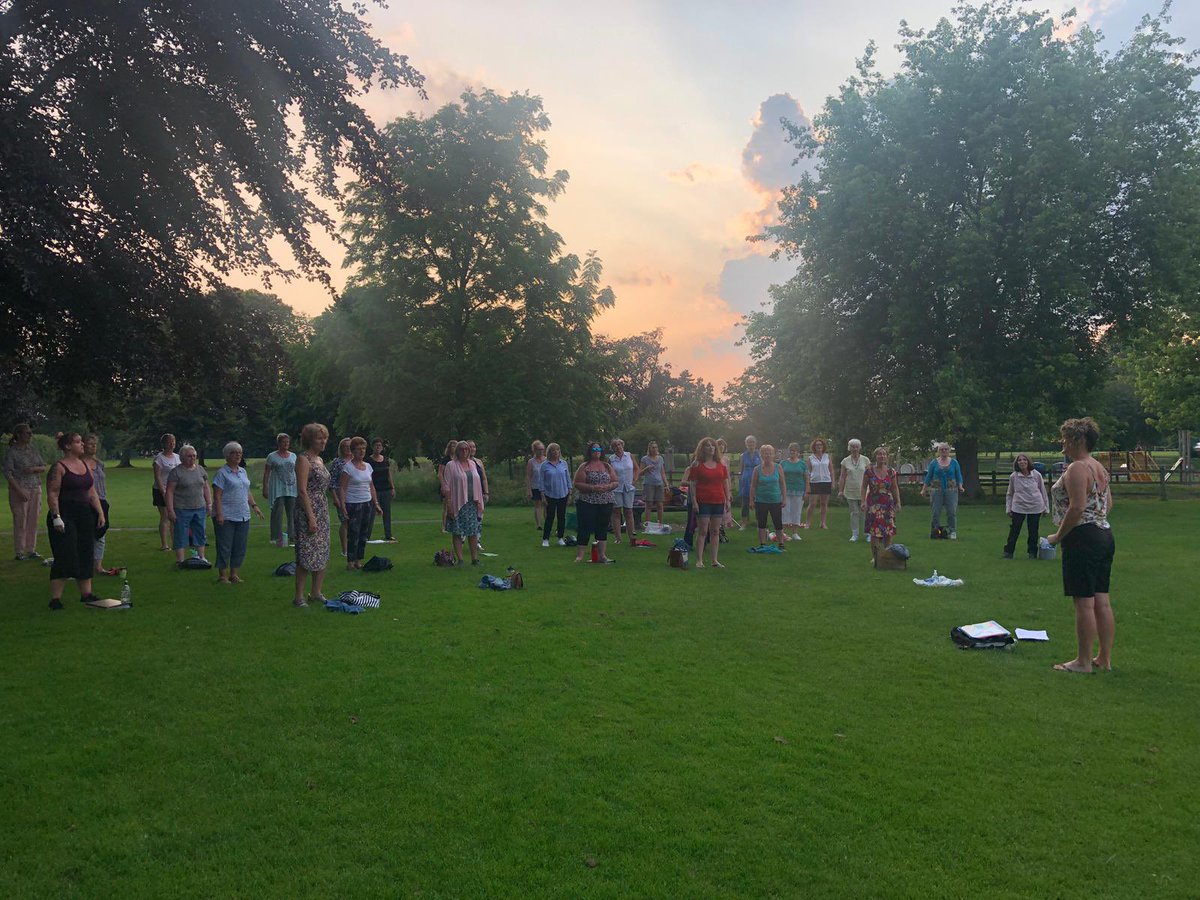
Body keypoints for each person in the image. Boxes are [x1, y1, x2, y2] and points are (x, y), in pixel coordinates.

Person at [1047, 417, 1116, 674]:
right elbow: (1108, 505)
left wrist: (1058, 536)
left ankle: (1083, 662)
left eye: (1065, 438)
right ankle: (1104, 659)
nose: (1062, 443)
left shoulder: (1077, 467)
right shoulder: (1099, 467)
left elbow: (1076, 508)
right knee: (1101, 600)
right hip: (1103, 535)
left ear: (1078, 440)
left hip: (1083, 538)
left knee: (1084, 602)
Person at [44, 432, 105, 609]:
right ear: (68, 446)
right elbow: (53, 493)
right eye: (78, 442)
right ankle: (55, 599)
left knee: (86, 551)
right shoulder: (59, 467)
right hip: (65, 513)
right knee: (66, 553)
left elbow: (91, 492)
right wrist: (56, 517)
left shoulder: (84, 464)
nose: (82, 444)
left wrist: (100, 513)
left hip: (83, 513)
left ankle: (86, 594)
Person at [212, 441, 264, 584]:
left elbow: (246, 491)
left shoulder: (243, 472)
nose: (238, 455)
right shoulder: (221, 474)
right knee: (225, 546)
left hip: (243, 515)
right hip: (226, 515)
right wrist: (219, 513)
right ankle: (222, 575)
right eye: (234, 453)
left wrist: (254, 506)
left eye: (239, 453)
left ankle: (234, 574)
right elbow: (217, 495)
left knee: (240, 546)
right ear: (227, 456)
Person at [292, 423, 332, 608]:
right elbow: (302, 490)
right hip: (307, 509)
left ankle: (316, 592)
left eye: (325, 438)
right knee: (306, 553)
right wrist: (311, 517)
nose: (323, 441)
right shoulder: (303, 459)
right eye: (319, 438)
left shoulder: (320, 460)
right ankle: (298, 597)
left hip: (322, 508)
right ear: (310, 440)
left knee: (321, 551)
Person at [684, 437, 730, 568]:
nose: (711, 448)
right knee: (703, 531)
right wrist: (694, 501)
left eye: (713, 445)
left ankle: (714, 560)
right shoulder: (697, 465)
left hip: (718, 500)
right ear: (702, 448)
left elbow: (725, 482)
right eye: (708, 446)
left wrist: (727, 499)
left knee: (715, 531)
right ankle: (699, 560)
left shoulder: (721, 464)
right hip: (703, 501)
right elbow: (693, 484)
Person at [338, 436, 382, 570]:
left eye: (363, 448)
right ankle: (350, 561)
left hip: (367, 502)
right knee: (353, 533)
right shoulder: (348, 467)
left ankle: (359, 560)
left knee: (364, 534)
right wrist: (343, 505)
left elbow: (371, 486)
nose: (362, 451)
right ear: (353, 451)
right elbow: (342, 488)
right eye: (358, 449)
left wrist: (376, 503)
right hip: (353, 503)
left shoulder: (368, 466)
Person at [5, 423, 47, 560]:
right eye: (27, 433)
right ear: (19, 435)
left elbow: (43, 466)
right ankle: (19, 552)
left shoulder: (32, 450)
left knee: (33, 520)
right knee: (20, 520)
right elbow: (8, 473)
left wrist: (34, 469)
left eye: (30, 433)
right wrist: (19, 491)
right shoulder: (12, 452)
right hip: (19, 488)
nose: (30, 435)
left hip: (35, 487)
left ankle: (31, 550)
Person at [573, 441, 619, 564]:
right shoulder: (584, 466)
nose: (597, 452)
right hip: (587, 501)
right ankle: (580, 556)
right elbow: (577, 483)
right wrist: (592, 488)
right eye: (594, 449)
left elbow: (615, 481)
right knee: (585, 527)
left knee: (602, 527)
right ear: (590, 452)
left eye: (599, 449)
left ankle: (601, 555)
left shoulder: (607, 466)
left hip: (606, 501)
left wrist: (608, 486)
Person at [166, 444, 211, 566]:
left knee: (200, 533)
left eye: (194, 456)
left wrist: (209, 504)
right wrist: (170, 510)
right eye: (189, 456)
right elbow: (169, 492)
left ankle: (201, 558)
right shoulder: (176, 472)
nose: (192, 458)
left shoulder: (200, 470)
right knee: (181, 534)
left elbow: (205, 487)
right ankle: (180, 561)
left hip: (199, 507)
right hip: (181, 508)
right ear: (182, 458)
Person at [442, 440, 485, 566]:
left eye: (467, 449)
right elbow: (447, 485)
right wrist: (449, 503)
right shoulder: (451, 465)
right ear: (457, 451)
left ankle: (474, 559)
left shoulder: (473, 464)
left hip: (472, 503)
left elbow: (478, 481)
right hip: (457, 503)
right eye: (462, 449)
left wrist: (480, 499)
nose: (465, 451)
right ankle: (460, 559)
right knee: (457, 531)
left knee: (473, 531)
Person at [83, 434, 120, 576]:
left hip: (102, 500)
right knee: (86, 534)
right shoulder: (80, 464)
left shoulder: (99, 463)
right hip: (86, 502)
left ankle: (98, 566)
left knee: (101, 532)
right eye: (90, 443)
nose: (94, 446)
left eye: (95, 443)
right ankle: (84, 565)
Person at [1005, 453, 1049, 559]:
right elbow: (1010, 493)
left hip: (1035, 506)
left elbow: (1043, 491)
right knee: (1014, 530)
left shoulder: (1036, 475)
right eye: (1019, 460)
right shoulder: (1014, 476)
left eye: (1024, 460)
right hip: (1018, 506)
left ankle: (1032, 553)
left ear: (1028, 462)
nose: (1022, 462)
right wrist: (1008, 508)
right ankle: (1008, 552)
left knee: (1033, 531)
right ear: (1017, 463)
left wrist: (1046, 508)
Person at [921, 442, 965, 539]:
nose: (944, 451)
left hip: (951, 490)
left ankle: (952, 531)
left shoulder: (954, 463)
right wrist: (924, 489)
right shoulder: (934, 463)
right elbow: (928, 477)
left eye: (945, 449)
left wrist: (960, 486)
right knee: (936, 512)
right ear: (938, 451)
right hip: (936, 490)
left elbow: (958, 476)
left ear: (949, 451)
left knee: (951, 511)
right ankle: (935, 531)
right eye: (941, 449)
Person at [262, 432, 298, 548]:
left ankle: (292, 536)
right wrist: (265, 487)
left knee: (292, 513)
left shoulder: (293, 456)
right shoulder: (272, 456)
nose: (286, 444)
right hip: (278, 488)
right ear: (279, 443)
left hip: (292, 488)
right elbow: (267, 473)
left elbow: (297, 471)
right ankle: (275, 537)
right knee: (277, 512)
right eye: (284, 442)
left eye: (288, 442)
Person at [861, 446, 901, 546]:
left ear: (887, 457)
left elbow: (894, 488)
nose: (882, 456)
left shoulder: (891, 472)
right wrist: (863, 501)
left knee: (888, 531)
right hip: (873, 504)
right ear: (875, 456)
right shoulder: (869, 471)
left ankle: (887, 552)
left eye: (884, 454)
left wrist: (898, 502)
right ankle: (876, 554)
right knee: (875, 531)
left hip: (888, 504)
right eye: (879, 454)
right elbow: (864, 487)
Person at [750, 444, 787, 550]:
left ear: (773, 455)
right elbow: (753, 486)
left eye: (770, 453)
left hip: (775, 500)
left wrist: (784, 498)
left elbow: (782, 484)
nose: (768, 455)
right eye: (765, 453)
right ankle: (762, 544)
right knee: (761, 523)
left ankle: (781, 543)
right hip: (761, 500)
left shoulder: (778, 467)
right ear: (761, 455)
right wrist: (751, 500)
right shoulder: (757, 469)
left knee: (778, 522)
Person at [152, 433, 181, 551]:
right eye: (169, 441)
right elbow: (157, 476)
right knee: (165, 516)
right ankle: (164, 544)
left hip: (175, 491)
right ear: (163, 443)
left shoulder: (178, 457)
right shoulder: (159, 459)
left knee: (174, 517)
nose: (172, 443)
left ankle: (175, 543)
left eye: (173, 441)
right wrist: (163, 491)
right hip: (161, 490)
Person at [539, 442, 572, 547]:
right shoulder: (544, 465)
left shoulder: (564, 463)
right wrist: (543, 496)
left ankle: (560, 538)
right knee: (550, 517)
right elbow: (541, 481)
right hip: (550, 495)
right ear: (549, 452)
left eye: (557, 450)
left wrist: (570, 493)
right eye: (553, 450)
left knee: (562, 517)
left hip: (563, 493)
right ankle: (545, 539)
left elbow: (567, 478)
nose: (555, 452)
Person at [837, 438, 869, 542]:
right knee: (854, 513)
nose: (855, 449)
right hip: (850, 491)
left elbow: (870, 475)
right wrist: (840, 491)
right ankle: (855, 534)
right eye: (852, 447)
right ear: (849, 448)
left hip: (864, 491)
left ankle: (868, 534)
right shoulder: (845, 461)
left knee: (865, 513)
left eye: (856, 447)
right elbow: (842, 477)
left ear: (859, 448)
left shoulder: (865, 460)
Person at [608, 438, 639, 544]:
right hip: (617, 488)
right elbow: (608, 473)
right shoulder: (611, 459)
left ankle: (632, 536)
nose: (618, 447)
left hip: (629, 487)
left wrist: (635, 480)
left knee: (628, 511)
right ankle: (618, 537)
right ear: (613, 448)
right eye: (615, 445)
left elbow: (636, 469)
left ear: (622, 445)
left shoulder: (629, 456)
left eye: (619, 444)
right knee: (616, 511)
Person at [367, 438, 396, 543]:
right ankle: (367, 535)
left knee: (387, 512)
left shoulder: (385, 460)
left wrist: (392, 487)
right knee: (371, 513)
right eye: (376, 445)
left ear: (382, 447)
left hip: (386, 489)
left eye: (379, 445)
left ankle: (388, 534)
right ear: (372, 447)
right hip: (374, 489)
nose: (378, 447)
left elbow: (388, 474)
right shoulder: (369, 460)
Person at [327, 437, 352, 557]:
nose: (347, 449)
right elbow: (331, 481)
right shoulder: (337, 462)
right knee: (345, 521)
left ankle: (353, 548)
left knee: (354, 522)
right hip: (340, 494)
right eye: (345, 447)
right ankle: (345, 549)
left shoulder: (356, 461)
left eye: (349, 446)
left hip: (354, 494)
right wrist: (335, 498)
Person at [780, 443, 808, 541]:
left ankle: (795, 533)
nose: (792, 452)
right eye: (791, 450)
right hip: (785, 491)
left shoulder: (802, 464)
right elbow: (779, 477)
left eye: (794, 451)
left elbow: (806, 478)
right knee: (785, 511)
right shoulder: (783, 463)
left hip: (799, 491)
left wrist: (806, 491)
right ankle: (782, 533)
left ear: (798, 453)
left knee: (796, 512)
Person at [804, 438, 833, 529]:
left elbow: (831, 470)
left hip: (826, 481)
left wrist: (833, 482)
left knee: (824, 504)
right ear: (814, 447)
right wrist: (808, 485)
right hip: (814, 482)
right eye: (817, 445)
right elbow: (808, 472)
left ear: (823, 446)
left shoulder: (827, 457)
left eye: (820, 445)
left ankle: (823, 523)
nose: (819, 446)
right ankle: (807, 523)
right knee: (812, 503)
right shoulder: (810, 458)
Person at [640, 441, 670, 527]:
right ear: (649, 449)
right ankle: (647, 525)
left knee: (660, 505)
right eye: (653, 447)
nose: (655, 449)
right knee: (649, 505)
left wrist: (666, 484)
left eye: (656, 447)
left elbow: (662, 472)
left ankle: (660, 524)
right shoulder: (644, 459)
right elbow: (640, 473)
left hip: (659, 484)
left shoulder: (660, 458)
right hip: (649, 484)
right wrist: (646, 469)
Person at [737, 436, 761, 530]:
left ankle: (759, 523)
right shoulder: (743, 456)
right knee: (745, 503)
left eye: (752, 442)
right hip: (746, 481)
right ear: (746, 444)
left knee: (758, 503)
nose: (751, 444)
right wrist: (741, 481)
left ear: (755, 443)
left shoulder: (759, 455)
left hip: (757, 481)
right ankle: (744, 523)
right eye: (749, 442)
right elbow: (741, 469)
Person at [525, 440, 547, 531]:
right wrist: (529, 490)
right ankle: (538, 524)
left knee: (546, 505)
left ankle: (547, 522)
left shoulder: (547, 460)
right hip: (536, 486)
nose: (541, 451)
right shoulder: (531, 462)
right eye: (539, 449)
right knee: (538, 504)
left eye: (542, 449)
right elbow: (528, 476)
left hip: (546, 487)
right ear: (534, 450)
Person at [715, 438, 737, 530]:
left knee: (726, 502)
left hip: (725, 482)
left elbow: (727, 474)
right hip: (716, 483)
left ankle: (726, 523)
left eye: (723, 445)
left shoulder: (726, 459)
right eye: (719, 445)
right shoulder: (714, 458)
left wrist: (730, 490)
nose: (721, 446)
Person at [437, 439, 458, 532]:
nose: (454, 448)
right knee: (446, 506)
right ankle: (444, 526)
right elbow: (440, 473)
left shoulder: (458, 459)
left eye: (456, 446)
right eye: (453, 446)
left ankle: (454, 525)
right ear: (449, 448)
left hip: (456, 485)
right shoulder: (445, 459)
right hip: (447, 484)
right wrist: (443, 485)